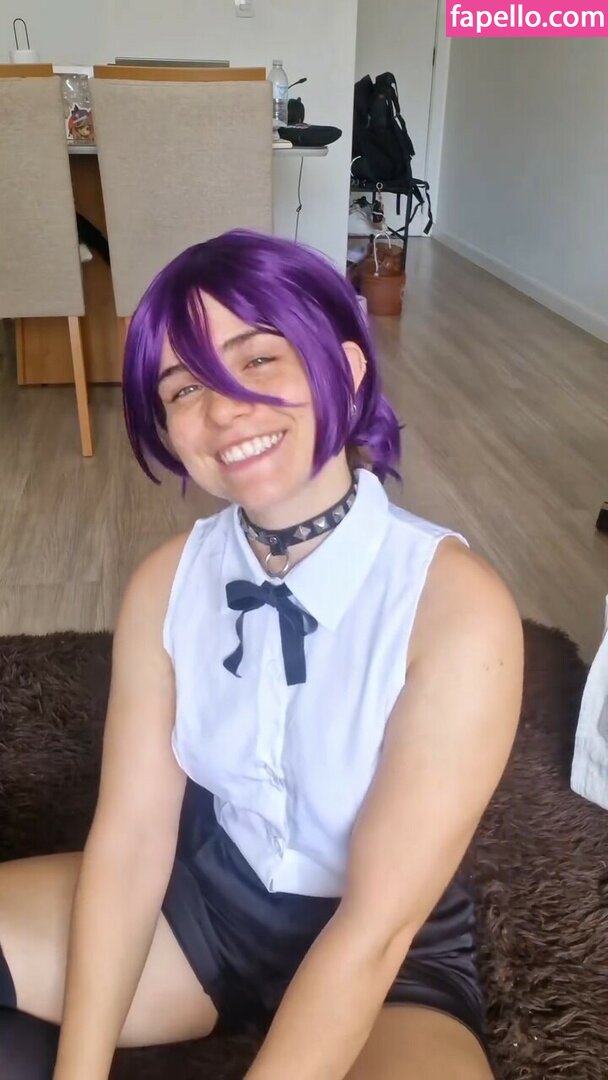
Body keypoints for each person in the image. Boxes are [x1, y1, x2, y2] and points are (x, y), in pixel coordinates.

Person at [0, 230, 524, 1079]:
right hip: (210, 910)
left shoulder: (458, 609)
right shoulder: (165, 584)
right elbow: (131, 843)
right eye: (184, 387)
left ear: (343, 367)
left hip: (392, 961)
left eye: (258, 359)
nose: (223, 409)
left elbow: (375, 929)